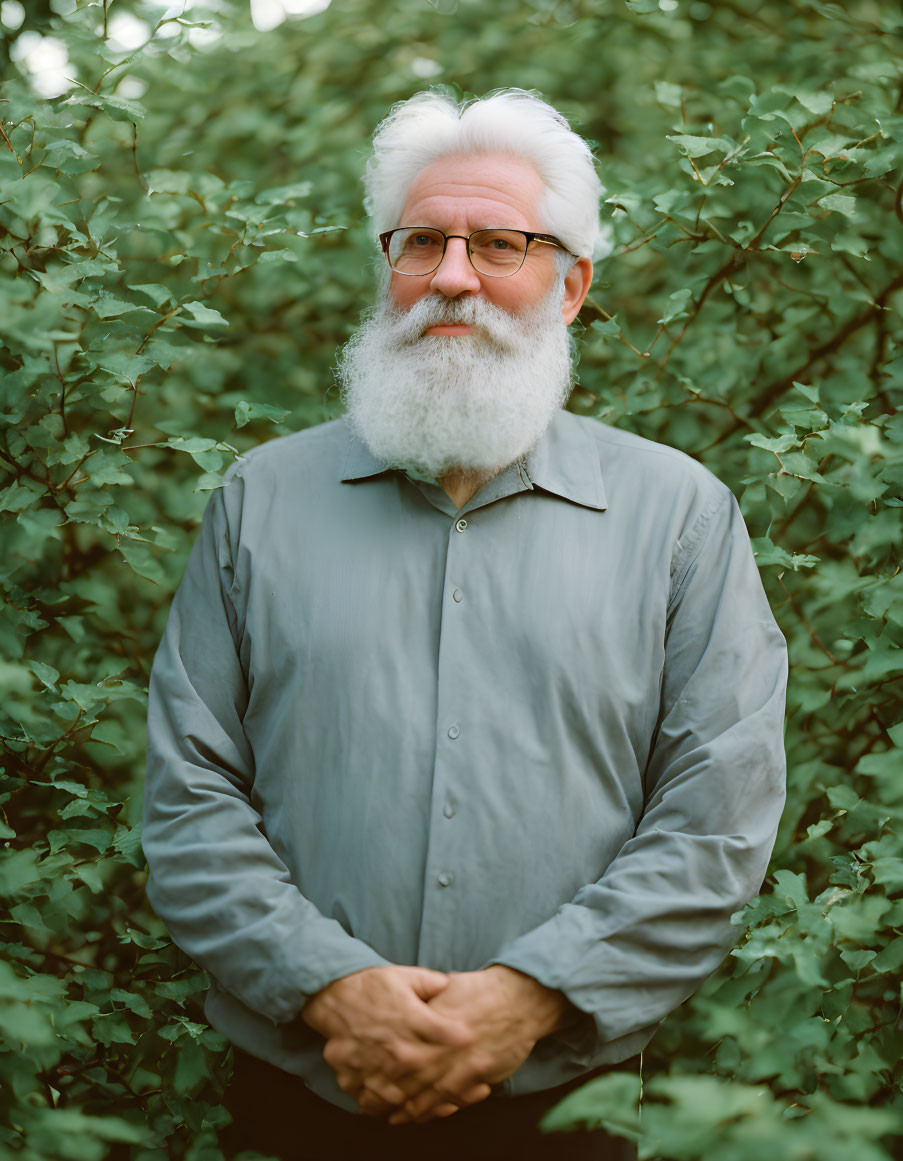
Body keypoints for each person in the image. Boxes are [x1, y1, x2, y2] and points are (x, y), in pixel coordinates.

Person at [142, 89, 788, 1161]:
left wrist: (530, 997)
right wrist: (333, 989)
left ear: (570, 285)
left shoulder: (679, 516)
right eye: (422, 242)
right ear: (386, 267)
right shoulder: (260, 500)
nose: (451, 276)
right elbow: (189, 795)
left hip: (567, 1108)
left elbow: (717, 819)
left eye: (499, 243)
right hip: (300, 1089)